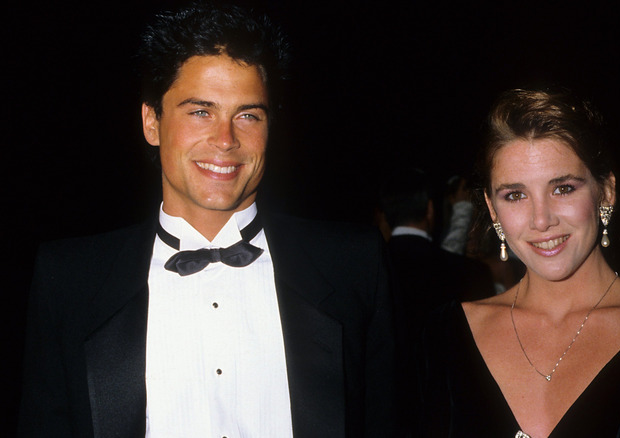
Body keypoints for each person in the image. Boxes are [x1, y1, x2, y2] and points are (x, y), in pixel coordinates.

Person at [18, 3, 395, 437]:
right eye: (201, 111)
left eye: (248, 115)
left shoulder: (352, 266)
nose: (226, 140)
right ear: (151, 122)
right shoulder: (70, 280)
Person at [419, 88, 620, 437]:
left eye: (563, 188)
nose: (541, 220)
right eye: (515, 195)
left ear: (606, 192)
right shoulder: (445, 339)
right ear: (493, 209)